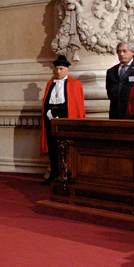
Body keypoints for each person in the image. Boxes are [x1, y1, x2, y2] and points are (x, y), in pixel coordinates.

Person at [41, 55, 86, 185]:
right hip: (51, 120)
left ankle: (68, 174)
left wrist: (56, 112)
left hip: (65, 120)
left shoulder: (75, 84)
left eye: (61, 69)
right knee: (53, 147)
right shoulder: (50, 84)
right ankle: (53, 174)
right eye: (56, 69)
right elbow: (46, 103)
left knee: (66, 148)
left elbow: (74, 105)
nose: (58, 71)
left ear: (67, 70)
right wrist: (49, 113)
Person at [105, 41, 134, 119]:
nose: (121, 54)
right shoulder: (111, 71)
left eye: (124, 51)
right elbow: (110, 91)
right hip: (116, 114)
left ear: (132, 52)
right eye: (119, 51)